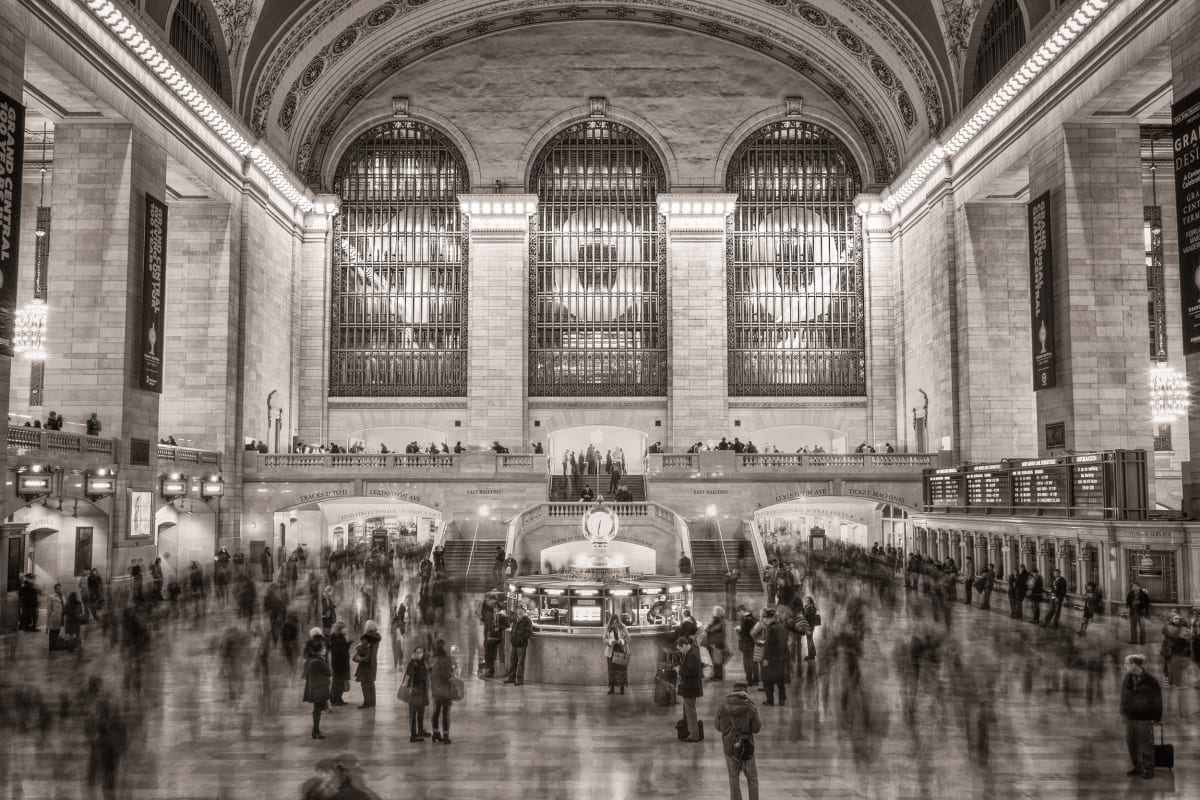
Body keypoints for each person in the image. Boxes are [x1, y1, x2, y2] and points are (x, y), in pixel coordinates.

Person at [716, 680, 762, 800]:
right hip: (746, 746)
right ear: (746, 692)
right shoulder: (750, 707)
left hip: (729, 747)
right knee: (752, 778)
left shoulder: (722, 706)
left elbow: (717, 726)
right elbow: (757, 729)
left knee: (733, 778)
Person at [1119, 654, 1162, 779]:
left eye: (1127, 663)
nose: (1125, 666)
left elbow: (1157, 700)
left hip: (1144, 718)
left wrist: (1156, 717)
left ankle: (1149, 768)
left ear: (1134, 664)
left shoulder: (1150, 680)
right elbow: (1123, 696)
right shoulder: (1128, 678)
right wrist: (1123, 712)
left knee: (1145, 745)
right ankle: (1137, 767)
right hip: (1130, 717)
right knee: (1131, 744)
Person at [429, 639, 457, 743]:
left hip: (436, 689)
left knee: (436, 711)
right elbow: (446, 675)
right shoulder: (446, 660)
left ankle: (435, 733)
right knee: (445, 713)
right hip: (445, 690)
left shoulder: (434, 659)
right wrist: (452, 673)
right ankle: (446, 736)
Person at [758, 608, 788, 706]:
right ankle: (782, 700)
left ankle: (770, 700)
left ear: (767, 618)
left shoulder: (771, 628)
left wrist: (765, 658)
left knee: (767, 680)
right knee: (780, 680)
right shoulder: (782, 627)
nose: (763, 620)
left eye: (764, 618)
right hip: (781, 657)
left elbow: (769, 645)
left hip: (771, 658)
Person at [676, 635, 704, 741]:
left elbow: (690, 671)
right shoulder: (693, 651)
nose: (681, 652)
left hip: (690, 688)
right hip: (691, 687)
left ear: (683, 645)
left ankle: (694, 735)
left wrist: (680, 671)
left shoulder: (691, 654)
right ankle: (693, 733)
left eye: (680, 649)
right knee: (690, 711)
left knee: (690, 713)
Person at [305, 640, 331, 739]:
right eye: (324, 648)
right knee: (317, 710)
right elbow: (329, 672)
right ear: (319, 650)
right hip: (319, 690)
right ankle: (315, 731)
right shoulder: (318, 661)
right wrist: (325, 660)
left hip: (316, 689)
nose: (325, 650)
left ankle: (316, 730)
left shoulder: (313, 659)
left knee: (318, 709)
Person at [403, 645, 430, 742]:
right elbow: (407, 676)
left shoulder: (424, 663)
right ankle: (413, 735)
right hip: (413, 691)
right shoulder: (412, 664)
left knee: (421, 713)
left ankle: (420, 731)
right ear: (414, 653)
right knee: (413, 713)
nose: (419, 654)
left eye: (421, 652)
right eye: (417, 652)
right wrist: (411, 662)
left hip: (422, 692)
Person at [354, 620, 382, 708]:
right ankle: (372, 702)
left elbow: (362, 651)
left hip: (366, 664)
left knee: (365, 684)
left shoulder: (366, 638)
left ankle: (366, 703)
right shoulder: (376, 638)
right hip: (373, 662)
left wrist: (358, 647)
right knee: (370, 683)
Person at [504, 605, 533, 685]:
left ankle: (519, 680)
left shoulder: (527, 620)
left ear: (524, 610)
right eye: (518, 609)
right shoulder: (516, 620)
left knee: (520, 663)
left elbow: (529, 632)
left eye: (521, 609)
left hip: (521, 645)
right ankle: (511, 678)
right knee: (513, 661)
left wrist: (522, 639)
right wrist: (512, 639)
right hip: (514, 644)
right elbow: (513, 630)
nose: (519, 611)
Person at [1161, 612, 1191, 687]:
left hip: (1179, 648)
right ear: (1171, 619)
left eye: (1179, 619)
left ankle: (1175, 681)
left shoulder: (1182, 626)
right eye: (1175, 618)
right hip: (1169, 648)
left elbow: (1188, 634)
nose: (1177, 620)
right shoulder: (1167, 626)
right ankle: (1168, 678)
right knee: (1168, 664)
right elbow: (1174, 633)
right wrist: (1183, 633)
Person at [481, 595, 507, 678]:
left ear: (499, 608)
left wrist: (499, 628)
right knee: (488, 654)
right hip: (492, 637)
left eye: (496, 607)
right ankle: (490, 671)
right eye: (494, 607)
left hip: (496, 638)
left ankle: (492, 671)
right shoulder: (494, 615)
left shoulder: (502, 616)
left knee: (492, 654)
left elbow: (507, 625)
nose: (494, 608)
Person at [604, 615, 629, 694]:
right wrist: (611, 642)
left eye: (616, 622)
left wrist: (621, 641)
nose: (615, 625)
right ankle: (612, 689)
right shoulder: (608, 629)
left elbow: (628, 639)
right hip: (611, 652)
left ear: (619, 622)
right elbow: (604, 639)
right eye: (613, 623)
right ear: (611, 623)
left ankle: (622, 689)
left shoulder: (623, 627)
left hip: (621, 651)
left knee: (621, 671)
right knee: (611, 671)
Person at [736, 606, 759, 687]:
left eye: (738, 613)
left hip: (747, 644)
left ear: (742, 611)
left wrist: (738, 631)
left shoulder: (746, 620)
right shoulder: (753, 618)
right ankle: (756, 680)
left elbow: (745, 634)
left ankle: (749, 681)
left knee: (747, 663)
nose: (738, 615)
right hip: (754, 644)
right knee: (754, 662)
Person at [705, 606, 728, 681]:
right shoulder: (721, 620)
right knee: (716, 660)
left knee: (717, 661)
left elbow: (710, 629)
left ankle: (718, 677)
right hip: (717, 642)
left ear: (717, 612)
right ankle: (716, 675)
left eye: (714, 610)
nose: (712, 612)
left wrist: (708, 626)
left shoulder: (718, 620)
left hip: (716, 643)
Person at [46, 583, 66, 649]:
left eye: (60, 588)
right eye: (58, 588)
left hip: (61, 616)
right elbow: (49, 607)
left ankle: (55, 644)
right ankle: (52, 645)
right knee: (53, 631)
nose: (59, 590)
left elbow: (64, 605)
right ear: (55, 589)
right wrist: (52, 614)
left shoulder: (62, 596)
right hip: (54, 617)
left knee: (58, 630)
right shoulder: (51, 596)